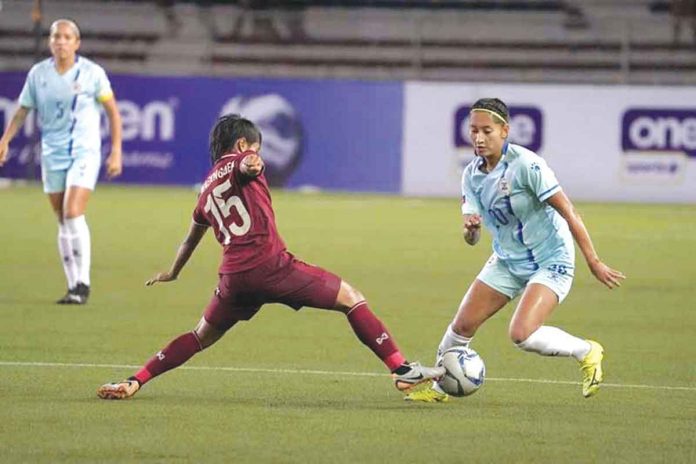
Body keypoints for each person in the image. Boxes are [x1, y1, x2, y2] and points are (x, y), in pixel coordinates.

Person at [96, 114, 443, 400]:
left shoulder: (204, 191)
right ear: (243, 144)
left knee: (200, 336)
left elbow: (190, 239)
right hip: (272, 267)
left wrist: (172, 272)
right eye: (255, 148)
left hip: (233, 280)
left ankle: (135, 379)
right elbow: (247, 166)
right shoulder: (241, 162)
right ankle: (402, 370)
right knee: (351, 299)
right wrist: (251, 162)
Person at [405, 98, 625, 403]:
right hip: (508, 260)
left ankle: (586, 351)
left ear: (505, 130)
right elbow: (471, 239)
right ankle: (441, 387)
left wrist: (594, 261)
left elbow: (569, 211)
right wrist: (471, 230)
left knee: (522, 334)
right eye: (473, 131)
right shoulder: (472, 175)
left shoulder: (527, 165)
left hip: (550, 258)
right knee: (462, 326)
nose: (479, 139)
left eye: (487, 131)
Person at [0, 19, 123, 305]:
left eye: (67, 37)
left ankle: (84, 283)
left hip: (84, 151)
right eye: (56, 36)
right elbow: (22, 110)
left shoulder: (92, 73)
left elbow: (114, 113)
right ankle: (73, 286)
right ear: (50, 41)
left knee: (72, 211)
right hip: (52, 153)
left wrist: (116, 150)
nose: (61, 41)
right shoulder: (38, 74)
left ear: (76, 43)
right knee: (62, 219)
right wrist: (5, 139)